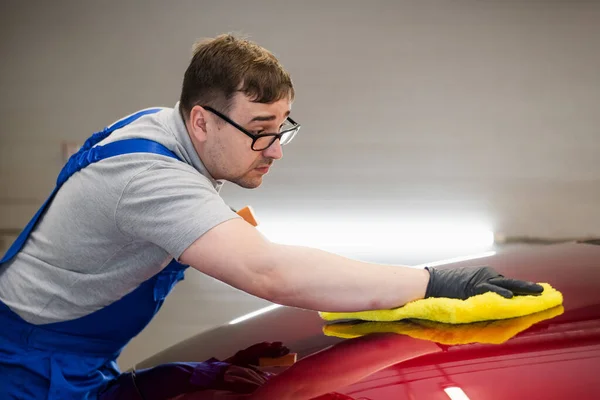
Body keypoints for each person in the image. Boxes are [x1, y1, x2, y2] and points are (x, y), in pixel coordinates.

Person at [0, 33, 543, 400]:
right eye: (260, 129)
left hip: (67, 359)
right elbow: (269, 273)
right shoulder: (149, 178)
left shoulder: (157, 126)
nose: (275, 148)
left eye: (283, 127)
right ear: (201, 120)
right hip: (20, 372)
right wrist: (432, 281)